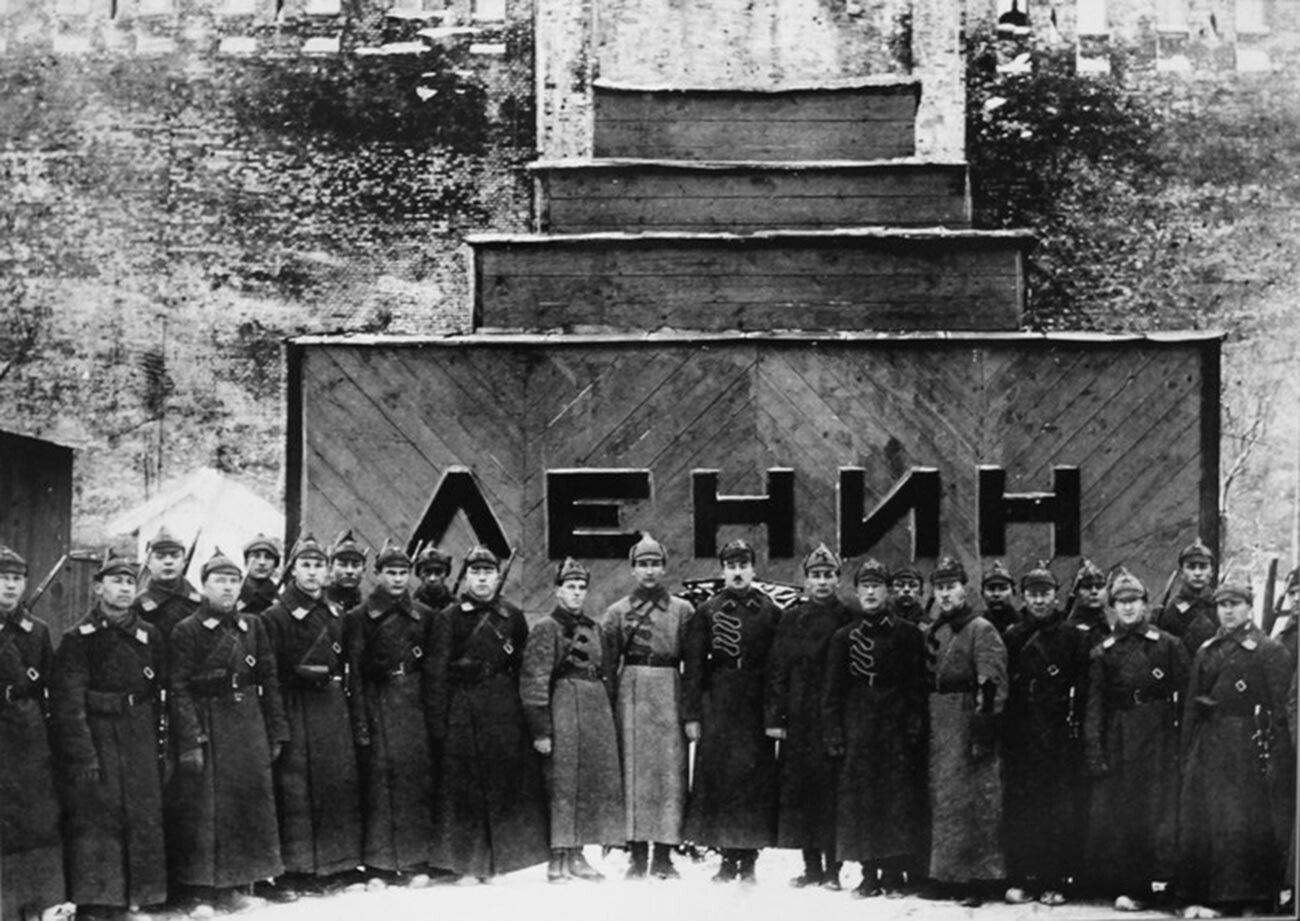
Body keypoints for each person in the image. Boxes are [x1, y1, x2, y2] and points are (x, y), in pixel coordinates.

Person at [167, 549, 288, 914]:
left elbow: (268, 679)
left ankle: (237, 885)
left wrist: (276, 730)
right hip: (209, 724)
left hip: (248, 723)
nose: (228, 588)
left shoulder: (253, 625)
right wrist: (190, 739)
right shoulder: (187, 630)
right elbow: (178, 688)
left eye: (234, 581)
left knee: (246, 804)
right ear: (204, 587)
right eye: (220, 581)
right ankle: (201, 891)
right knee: (207, 810)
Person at [51, 552, 166, 919]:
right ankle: (98, 902)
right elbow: (68, 703)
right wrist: (83, 754)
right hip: (98, 735)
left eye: (130, 582)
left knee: (142, 813)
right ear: (98, 588)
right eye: (116, 581)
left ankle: (139, 896)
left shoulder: (149, 635)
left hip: (139, 733)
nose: (124, 588)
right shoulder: (78, 638)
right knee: (98, 818)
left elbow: (162, 688)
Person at [428, 545, 548, 880]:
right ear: (466, 577)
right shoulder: (449, 618)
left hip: (503, 708)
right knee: (464, 787)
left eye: (488, 573)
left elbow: (525, 667)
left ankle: (504, 861)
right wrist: (439, 724)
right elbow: (435, 675)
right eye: (475, 573)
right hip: (462, 708)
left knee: (503, 781)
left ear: (497, 577)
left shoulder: (512, 616)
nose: (482, 579)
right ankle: (467, 862)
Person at [1177, 574, 1295, 918]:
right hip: (1207, 742)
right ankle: (1206, 894)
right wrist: (1187, 752)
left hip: (1247, 743)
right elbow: (1190, 707)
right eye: (1221, 605)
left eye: (1235, 605)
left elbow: (1280, 709)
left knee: (1244, 818)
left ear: (1249, 608)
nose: (1227, 612)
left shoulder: (1268, 650)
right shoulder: (1206, 650)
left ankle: (1249, 897)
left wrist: (1275, 754)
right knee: (1205, 816)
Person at [260, 533, 362, 892]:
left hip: (331, 706)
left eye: (319, 565)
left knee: (336, 783)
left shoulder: (337, 614)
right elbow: (269, 676)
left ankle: (337, 865)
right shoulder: (275, 616)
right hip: (295, 703)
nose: (313, 572)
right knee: (296, 788)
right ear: (292, 570)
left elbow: (350, 667)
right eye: (306, 565)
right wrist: (278, 724)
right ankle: (297, 870)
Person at [1082, 567, 1187, 911]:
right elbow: (1094, 706)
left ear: (1145, 603)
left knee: (1162, 809)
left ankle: (1167, 881)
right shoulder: (1104, 652)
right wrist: (1095, 750)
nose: (1128, 608)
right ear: (1112, 607)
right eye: (1120, 602)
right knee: (1125, 811)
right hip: (1121, 735)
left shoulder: (1168, 645)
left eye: (1134, 601)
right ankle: (1133, 884)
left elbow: (1186, 696)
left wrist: (1182, 743)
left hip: (1159, 734)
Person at [823, 558, 927, 899]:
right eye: (864, 586)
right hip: (858, 728)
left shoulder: (907, 634)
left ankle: (894, 873)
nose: (870, 592)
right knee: (862, 801)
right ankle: (869, 873)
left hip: (894, 727)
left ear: (888, 591)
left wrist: (912, 724)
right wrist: (835, 734)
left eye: (877, 586)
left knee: (896, 800)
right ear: (856, 592)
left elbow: (916, 685)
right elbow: (832, 692)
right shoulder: (843, 637)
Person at [520, 558, 623, 883]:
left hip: (594, 712)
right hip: (563, 708)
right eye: (570, 587)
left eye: (581, 588)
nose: (577, 594)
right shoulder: (545, 628)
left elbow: (607, 674)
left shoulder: (594, 628)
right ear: (557, 590)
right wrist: (541, 729)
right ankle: (558, 857)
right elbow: (534, 680)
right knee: (562, 783)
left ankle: (577, 855)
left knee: (587, 784)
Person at [683, 539, 779, 884]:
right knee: (721, 779)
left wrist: (774, 715)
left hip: (754, 701)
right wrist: (692, 715)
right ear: (722, 571)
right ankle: (726, 856)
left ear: (753, 569)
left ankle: (749, 856)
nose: (737, 572)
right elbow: (693, 667)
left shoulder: (769, 611)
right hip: (719, 698)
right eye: (731, 565)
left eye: (743, 565)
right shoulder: (707, 611)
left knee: (753, 780)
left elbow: (777, 667)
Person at [341, 539, 436, 885]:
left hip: (412, 701)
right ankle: (380, 866)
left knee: (415, 781)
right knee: (379, 784)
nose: (398, 579)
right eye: (390, 572)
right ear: (377, 575)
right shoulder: (359, 617)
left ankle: (414, 861)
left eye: (403, 573)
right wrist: (361, 721)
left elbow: (433, 669)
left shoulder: (425, 616)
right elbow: (353, 671)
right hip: (377, 701)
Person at [601, 533, 695, 880]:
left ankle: (665, 855)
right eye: (643, 564)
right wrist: (610, 709)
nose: (650, 571)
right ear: (632, 570)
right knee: (635, 773)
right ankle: (637, 855)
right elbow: (609, 666)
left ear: (665, 567)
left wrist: (690, 710)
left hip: (669, 687)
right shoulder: (617, 613)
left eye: (655, 563)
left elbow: (694, 662)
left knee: (670, 773)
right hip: (633, 692)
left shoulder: (683, 612)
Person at [1001, 561, 1090, 906]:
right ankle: (1023, 877)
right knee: (1022, 807)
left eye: (1046, 594)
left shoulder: (1072, 636)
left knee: (1057, 808)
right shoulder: (1013, 636)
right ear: (1023, 597)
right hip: (1023, 730)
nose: (1040, 601)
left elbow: (1081, 686)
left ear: (1057, 596)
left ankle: (1055, 880)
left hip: (1057, 731)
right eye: (1033, 594)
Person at [767, 543, 853, 890]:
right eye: (815, 576)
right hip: (799, 717)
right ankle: (811, 866)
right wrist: (776, 718)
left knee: (831, 793)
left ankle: (834, 869)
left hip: (835, 717)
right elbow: (777, 670)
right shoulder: (792, 618)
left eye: (828, 575)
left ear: (837, 579)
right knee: (801, 791)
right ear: (805, 580)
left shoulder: (849, 617)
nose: (822, 582)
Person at [923, 555, 1008, 907]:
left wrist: (983, 731)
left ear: (964, 589)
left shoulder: (981, 629)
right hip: (941, 722)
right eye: (939, 588)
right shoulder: (937, 630)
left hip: (969, 719)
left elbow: (992, 684)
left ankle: (980, 879)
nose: (945, 594)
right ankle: (949, 874)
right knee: (947, 801)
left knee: (979, 801)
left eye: (951, 587)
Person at [0, 544, 66, 921]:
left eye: (16, 579)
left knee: (35, 818)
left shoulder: (36, 631)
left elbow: (49, 685)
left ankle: (38, 902)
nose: (10, 587)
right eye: (3, 578)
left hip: (27, 732)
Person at [132, 526, 201, 642]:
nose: (168, 562)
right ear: (148, 562)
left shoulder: (200, 603)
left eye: (175, 556)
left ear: (184, 562)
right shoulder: (137, 606)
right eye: (160, 557)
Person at [1155, 538, 1218, 660]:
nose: (1197, 573)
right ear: (1182, 573)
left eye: (1203, 567)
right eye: (1191, 567)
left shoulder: (1220, 605)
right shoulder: (1172, 609)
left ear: (1212, 572)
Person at [1066, 559, 1111, 649]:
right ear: (1076, 592)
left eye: (1099, 586)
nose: (1094, 592)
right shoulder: (1069, 631)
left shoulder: (1112, 626)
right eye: (1087, 586)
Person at [237, 535, 281, 616]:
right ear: (246, 562)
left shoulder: (282, 603)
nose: (262, 562)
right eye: (256, 556)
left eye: (268, 557)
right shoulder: (234, 597)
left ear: (275, 565)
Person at [326, 529, 367, 613]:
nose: (349, 571)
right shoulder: (319, 605)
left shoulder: (366, 610)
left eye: (355, 565)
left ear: (363, 572)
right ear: (330, 570)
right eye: (342, 565)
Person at [979, 560, 1019, 635]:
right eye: (991, 589)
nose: (996, 594)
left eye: (1003, 588)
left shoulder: (1024, 624)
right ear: (982, 594)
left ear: (1013, 592)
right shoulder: (976, 626)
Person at [413, 547, 453, 612]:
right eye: (427, 572)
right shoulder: (410, 606)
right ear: (419, 574)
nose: (432, 578)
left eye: (438, 572)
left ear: (446, 574)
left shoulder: (455, 608)